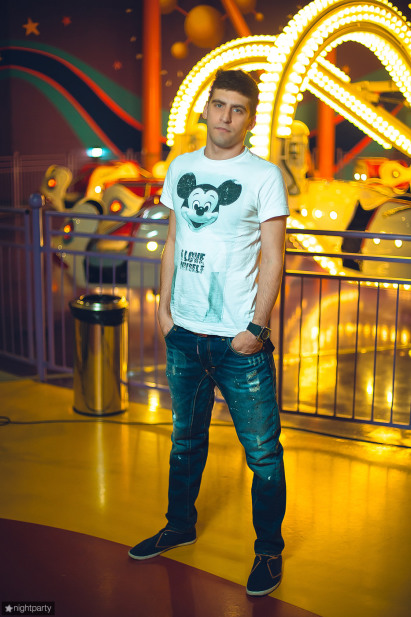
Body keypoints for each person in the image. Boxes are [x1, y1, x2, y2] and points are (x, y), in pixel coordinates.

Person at [129, 69, 289, 597]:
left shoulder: (264, 176)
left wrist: (256, 327)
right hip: (184, 335)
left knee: (262, 454)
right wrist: (164, 309)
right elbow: (173, 240)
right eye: (219, 104)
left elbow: (274, 255)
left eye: (237, 109)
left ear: (249, 118)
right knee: (185, 441)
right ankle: (179, 526)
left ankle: (268, 551)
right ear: (206, 108)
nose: (226, 116)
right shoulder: (181, 167)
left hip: (239, 342)